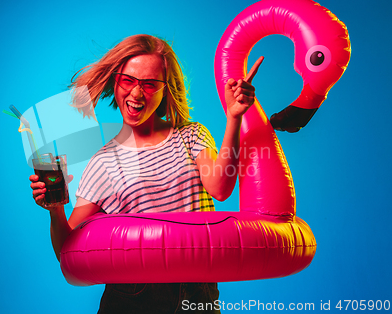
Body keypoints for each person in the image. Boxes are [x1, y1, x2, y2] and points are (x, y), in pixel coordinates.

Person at [30, 34, 263, 313]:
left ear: (166, 89)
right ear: (115, 81)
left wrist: (235, 117)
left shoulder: (191, 135)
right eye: (128, 80)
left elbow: (221, 189)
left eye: (150, 84)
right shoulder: (103, 163)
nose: (137, 94)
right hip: (133, 293)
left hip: (196, 289)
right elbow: (66, 250)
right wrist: (55, 208)